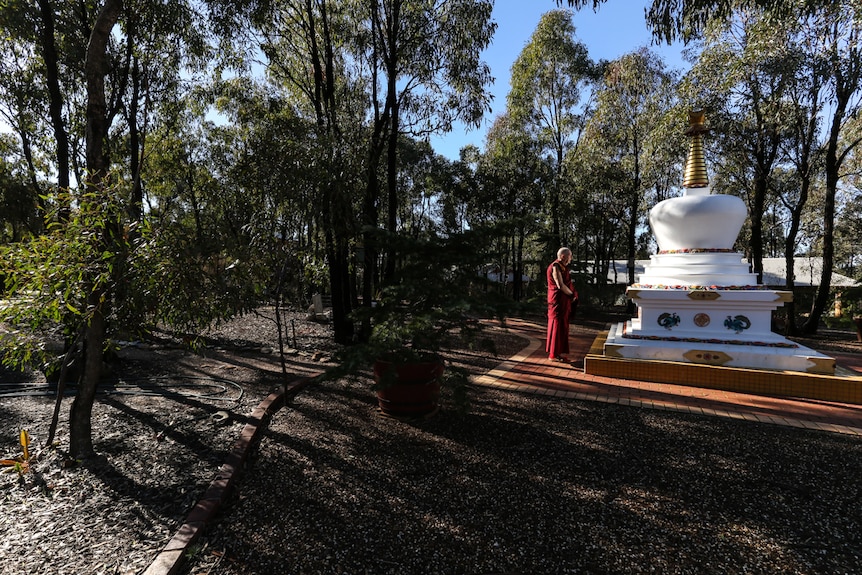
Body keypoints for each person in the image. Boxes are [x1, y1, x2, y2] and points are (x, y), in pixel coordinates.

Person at [546, 247, 578, 362]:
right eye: (570, 256)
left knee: (561, 326)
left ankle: (556, 353)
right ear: (563, 256)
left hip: (562, 301)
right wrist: (571, 295)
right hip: (558, 301)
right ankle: (553, 354)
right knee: (557, 326)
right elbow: (560, 284)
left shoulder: (562, 267)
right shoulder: (556, 266)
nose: (571, 259)